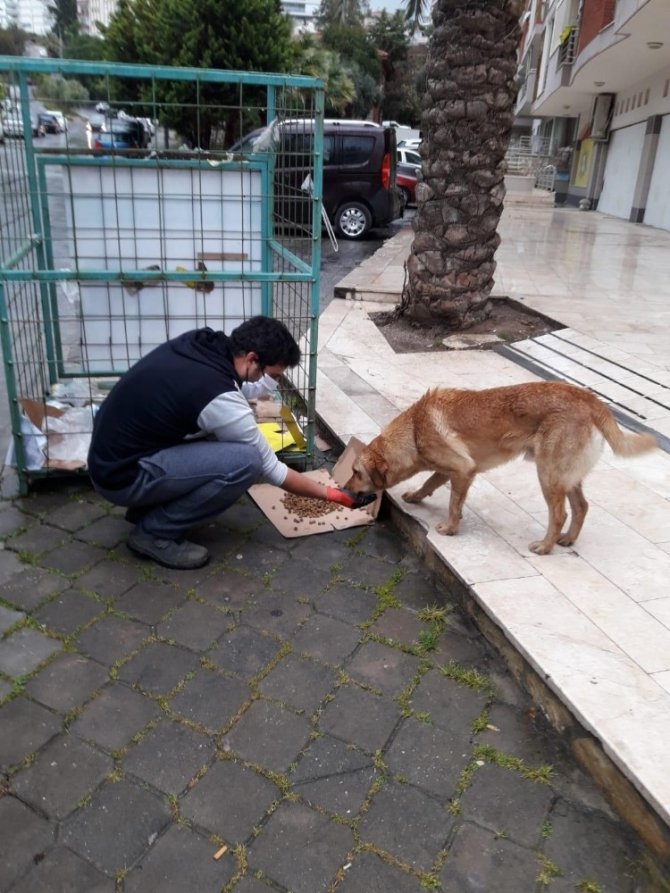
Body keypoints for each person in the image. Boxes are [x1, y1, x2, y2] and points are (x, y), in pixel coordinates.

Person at [87, 316, 367, 570]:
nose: (270, 381)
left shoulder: (207, 344)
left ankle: (150, 507)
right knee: (246, 462)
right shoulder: (217, 395)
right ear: (252, 358)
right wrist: (335, 496)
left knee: (218, 438)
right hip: (122, 476)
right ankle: (155, 532)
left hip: (113, 456)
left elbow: (242, 386)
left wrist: (270, 378)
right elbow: (273, 470)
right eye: (271, 373)